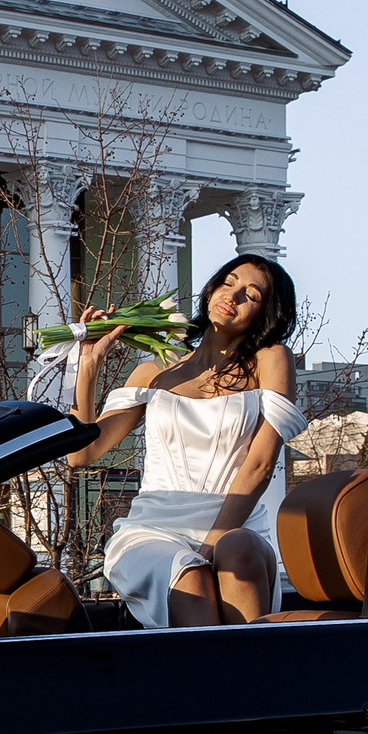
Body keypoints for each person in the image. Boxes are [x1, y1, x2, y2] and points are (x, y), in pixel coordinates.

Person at [69, 253, 302, 628]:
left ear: (266, 314)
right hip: (152, 530)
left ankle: (256, 663)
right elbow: (81, 454)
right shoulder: (153, 372)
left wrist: (212, 543)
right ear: (212, 290)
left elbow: (259, 466)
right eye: (228, 282)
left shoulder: (270, 360)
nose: (233, 295)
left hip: (232, 524)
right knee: (189, 573)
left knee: (238, 549)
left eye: (251, 295)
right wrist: (89, 364)